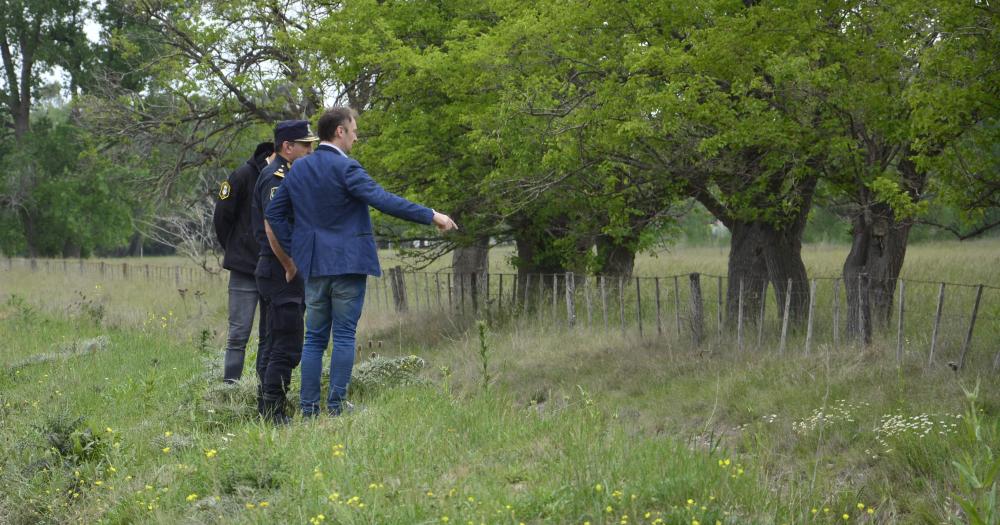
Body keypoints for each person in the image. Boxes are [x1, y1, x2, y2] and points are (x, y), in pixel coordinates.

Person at [265, 107, 457, 417]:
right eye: (353, 129)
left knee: (313, 338)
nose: (356, 135)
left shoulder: (298, 169)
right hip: (348, 264)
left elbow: (274, 214)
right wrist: (431, 215)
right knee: (343, 335)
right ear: (339, 131)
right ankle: (337, 407)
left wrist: (297, 251)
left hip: (313, 265)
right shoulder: (347, 169)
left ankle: (310, 409)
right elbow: (382, 199)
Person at [251, 120, 317, 423]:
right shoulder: (276, 177)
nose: (310, 150)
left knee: (272, 340)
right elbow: (272, 225)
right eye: (305, 145)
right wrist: (291, 265)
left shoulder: (288, 173)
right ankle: (275, 414)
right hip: (280, 270)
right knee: (286, 344)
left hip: (276, 269)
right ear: (287, 147)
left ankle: (266, 408)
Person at [213, 141, 274, 383]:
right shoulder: (240, 176)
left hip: (272, 267)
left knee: (269, 335)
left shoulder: (283, 177)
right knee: (238, 334)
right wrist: (235, 249)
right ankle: (230, 388)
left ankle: (265, 389)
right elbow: (221, 217)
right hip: (244, 270)